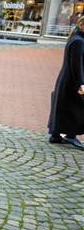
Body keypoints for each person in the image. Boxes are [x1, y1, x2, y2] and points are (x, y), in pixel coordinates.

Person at [48, 15, 84, 149]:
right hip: (73, 81)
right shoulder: (79, 41)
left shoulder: (75, 39)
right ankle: (71, 136)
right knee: (76, 109)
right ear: (81, 25)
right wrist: (81, 83)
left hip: (66, 79)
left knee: (62, 107)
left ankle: (55, 135)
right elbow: (77, 65)